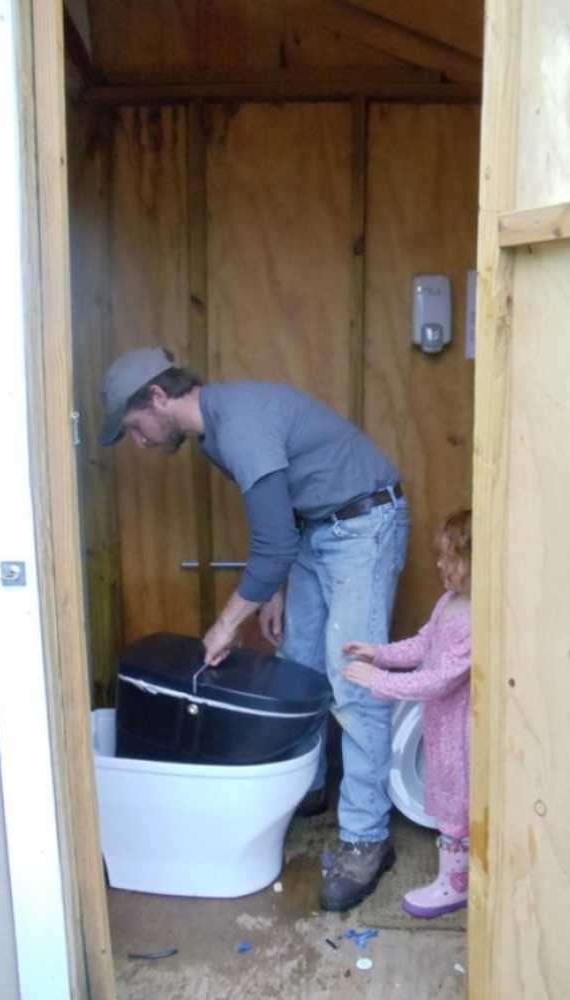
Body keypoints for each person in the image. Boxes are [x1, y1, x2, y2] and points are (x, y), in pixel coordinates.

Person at [99, 345, 410, 911]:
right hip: (322, 529)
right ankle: (308, 786)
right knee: (298, 666)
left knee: (354, 679)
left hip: (364, 523)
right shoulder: (215, 432)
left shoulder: (236, 425)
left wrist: (224, 627)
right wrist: (280, 585)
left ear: (158, 397)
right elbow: (285, 514)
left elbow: (270, 544)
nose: (139, 443)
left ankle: (367, 839)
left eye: (135, 428)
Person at [343, 508, 471, 918]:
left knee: (456, 805)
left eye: (450, 558)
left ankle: (455, 885)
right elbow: (421, 647)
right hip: (439, 723)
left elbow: (438, 680)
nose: (439, 565)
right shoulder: (449, 602)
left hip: (460, 728)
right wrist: (378, 654)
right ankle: (461, 876)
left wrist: (376, 681)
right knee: (449, 795)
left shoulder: (478, 619)